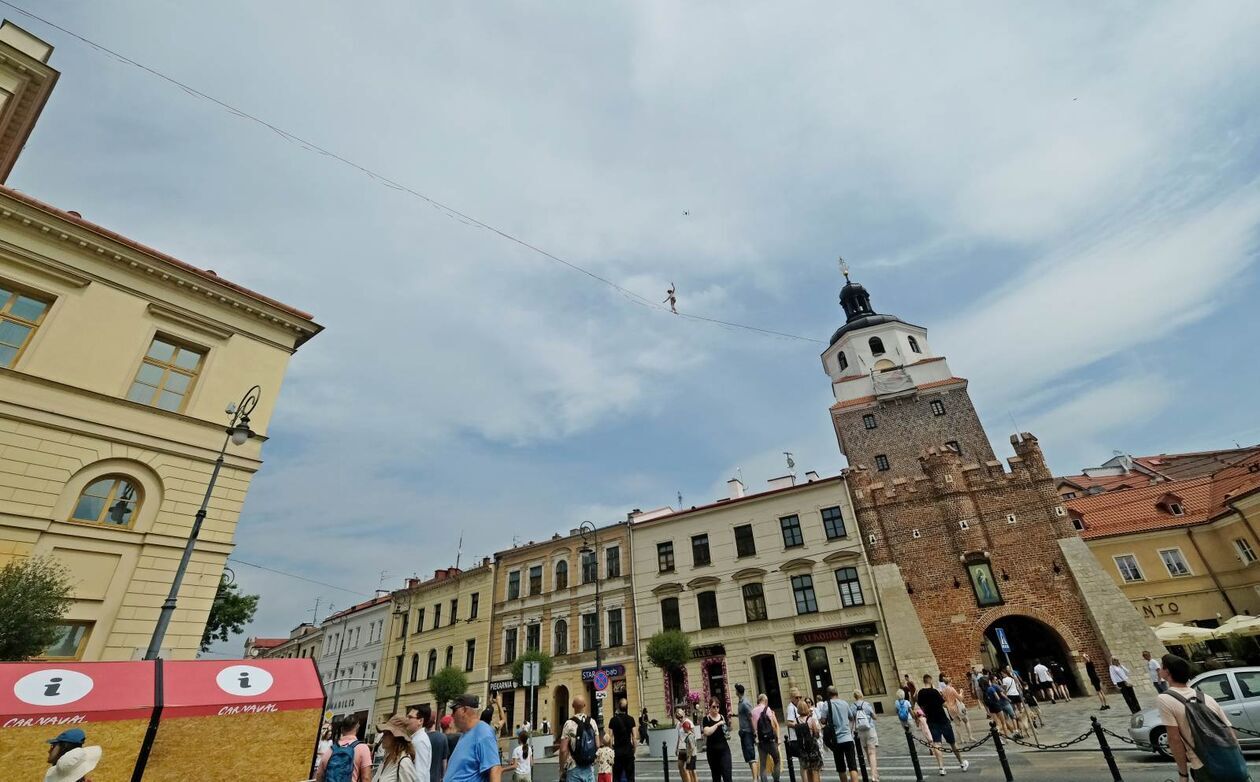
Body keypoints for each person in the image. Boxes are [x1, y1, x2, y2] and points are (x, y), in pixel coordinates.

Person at [1158, 653, 1244, 782]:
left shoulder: (1165, 699)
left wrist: (1183, 774)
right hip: (1232, 762)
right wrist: (1238, 760)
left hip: (1203, 765)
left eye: (1161, 666)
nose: (1159, 669)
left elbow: (1174, 739)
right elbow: (1230, 733)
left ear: (1167, 671)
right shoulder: (1206, 698)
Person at [917, 675, 969, 776]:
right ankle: (962, 763)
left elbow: (921, 707)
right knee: (952, 743)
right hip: (942, 720)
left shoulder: (921, 693)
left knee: (936, 744)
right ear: (930, 681)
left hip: (931, 721)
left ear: (924, 681)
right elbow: (944, 704)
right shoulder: (935, 692)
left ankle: (941, 768)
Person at [446, 695, 502, 782]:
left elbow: (495, 769)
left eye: (454, 710)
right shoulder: (465, 733)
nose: (452, 715)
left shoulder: (483, 732)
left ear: (464, 710)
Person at [819, 685, 858, 782]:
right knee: (852, 766)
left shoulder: (826, 704)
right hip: (848, 738)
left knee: (841, 768)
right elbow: (851, 717)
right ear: (837, 693)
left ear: (828, 694)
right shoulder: (844, 703)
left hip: (836, 740)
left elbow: (823, 721)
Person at [318, 715, 374, 782]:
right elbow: (366, 778)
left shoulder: (331, 750)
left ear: (341, 729)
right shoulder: (363, 748)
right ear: (357, 727)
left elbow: (319, 775)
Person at [562, 696, 602, 782]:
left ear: (572, 706)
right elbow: (598, 745)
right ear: (585, 705)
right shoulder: (592, 722)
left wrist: (562, 768)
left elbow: (563, 750)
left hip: (573, 768)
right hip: (589, 767)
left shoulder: (569, 724)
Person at [377, 716, 420, 782]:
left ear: (396, 738)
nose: (382, 737)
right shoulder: (387, 757)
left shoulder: (404, 762)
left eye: (386, 734)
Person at [701, 697, 733, 782]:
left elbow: (725, 731)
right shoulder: (706, 719)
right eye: (714, 707)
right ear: (710, 707)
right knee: (716, 777)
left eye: (717, 707)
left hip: (724, 750)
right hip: (712, 752)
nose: (716, 709)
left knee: (727, 776)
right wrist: (718, 724)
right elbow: (707, 732)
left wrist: (727, 733)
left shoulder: (722, 717)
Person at [851, 690, 879, 782]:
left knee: (867, 753)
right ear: (861, 695)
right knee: (872, 752)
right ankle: (874, 776)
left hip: (860, 731)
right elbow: (874, 716)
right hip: (869, 729)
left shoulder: (853, 706)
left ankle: (874, 772)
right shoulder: (867, 704)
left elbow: (852, 719)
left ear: (854, 697)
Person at [750, 694, 779, 782]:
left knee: (762, 765)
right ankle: (776, 779)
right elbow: (773, 725)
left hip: (760, 741)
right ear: (765, 701)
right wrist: (777, 738)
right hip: (770, 740)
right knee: (777, 759)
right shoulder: (767, 709)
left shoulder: (753, 711)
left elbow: (753, 728)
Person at [608, 698, 638, 782]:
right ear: (627, 707)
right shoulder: (631, 719)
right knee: (630, 777)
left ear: (618, 707)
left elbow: (610, 737)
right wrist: (634, 750)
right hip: (628, 751)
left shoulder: (613, 720)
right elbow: (634, 737)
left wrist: (611, 749)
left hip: (617, 752)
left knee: (617, 777)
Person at [796, 697, 823, 782]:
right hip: (812, 747)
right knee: (815, 769)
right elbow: (816, 734)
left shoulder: (796, 721)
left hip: (803, 749)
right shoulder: (811, 720)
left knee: (807, 769)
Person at [405, 706, 434, 782]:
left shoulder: (419, 741)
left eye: (410, 717)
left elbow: (419, 773)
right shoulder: (417, 738)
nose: (406, 719)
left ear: (420, 721)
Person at [940, 676, 971, 743]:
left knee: (957, 724)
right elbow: (960, 698)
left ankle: (961, 739)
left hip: (950, 709)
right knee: (966, 721)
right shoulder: (952, 689)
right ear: (950, 681)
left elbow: (944, 701)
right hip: (957, 707)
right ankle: (970, 737)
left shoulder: (943, 690)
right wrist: (961, 692)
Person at [735, 685, 757, 780]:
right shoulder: (740, 702)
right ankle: (756, 777)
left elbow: (750, 717)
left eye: (736, 690)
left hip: (748, 732)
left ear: (738, 692)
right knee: (748, 757)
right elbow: (742, 715)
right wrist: (734, 715)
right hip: (743, 733)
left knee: (751, 756)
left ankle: (755, 779)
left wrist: (754, 731)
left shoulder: (745, 703)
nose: (735, 691)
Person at [423, 705, 449, 782]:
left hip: (424, 777)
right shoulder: (442, 737)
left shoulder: (421, 738)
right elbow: (444, 761)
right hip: (436, 778)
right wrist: (444, 776)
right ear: (435, 721)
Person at [784, 687, 803, 760]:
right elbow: (788, 723)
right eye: (796, 697)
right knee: (802, 762)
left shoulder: (797, 706)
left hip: (800, 737)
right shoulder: (791, 708)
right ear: (791, 698)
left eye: (800, 697)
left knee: (804, 762)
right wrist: (801, 726)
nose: (799, 699)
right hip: (796, 738)